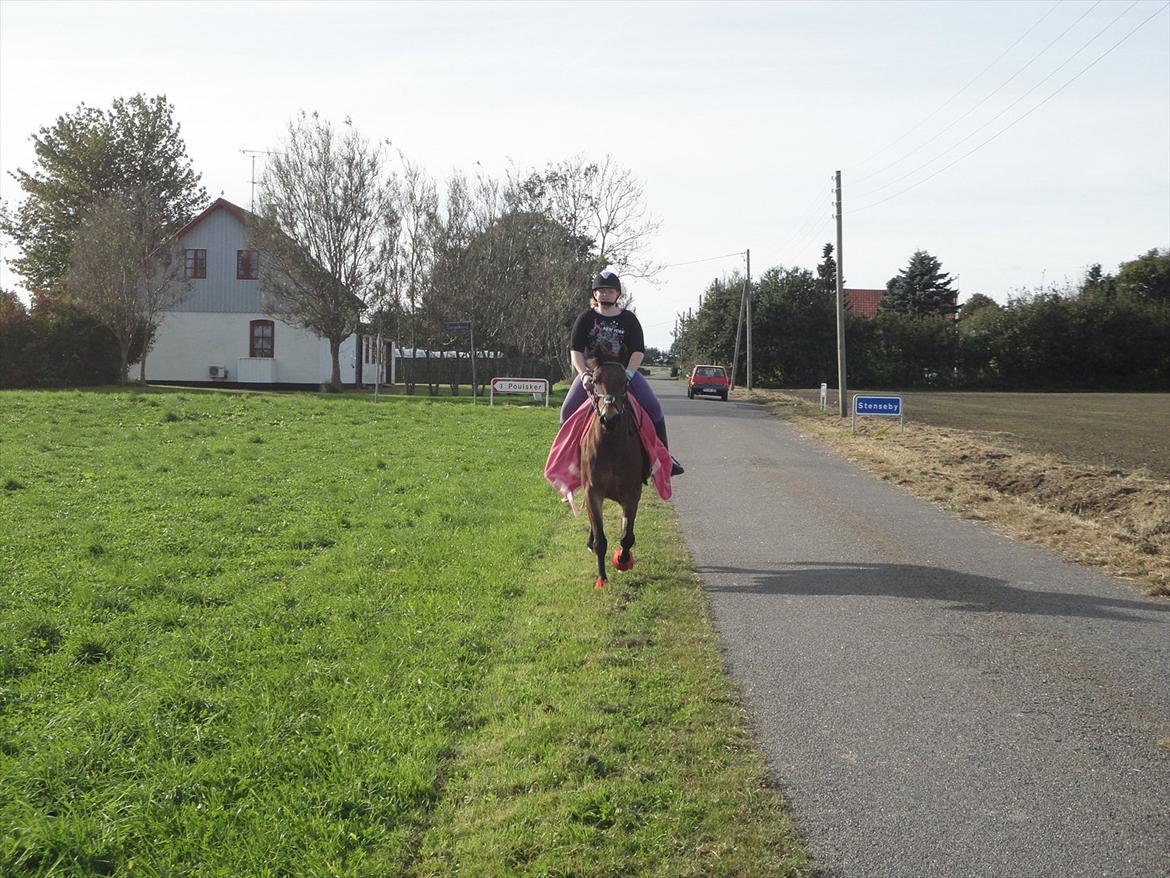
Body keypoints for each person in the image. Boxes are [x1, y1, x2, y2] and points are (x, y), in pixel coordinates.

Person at [561, 269, 684, 476]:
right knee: (566, 410)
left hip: (623, 374)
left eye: (610, 291)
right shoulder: (585, 318)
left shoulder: (629, 319)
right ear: (594, 294)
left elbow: (638, 350)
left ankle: (664, 460)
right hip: (593, 375)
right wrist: (583, 375)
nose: (605, 295)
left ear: (618, 294)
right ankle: (567, 461)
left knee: (654, 408)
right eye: (601, 291)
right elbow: (575, 350)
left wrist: (629, 374)